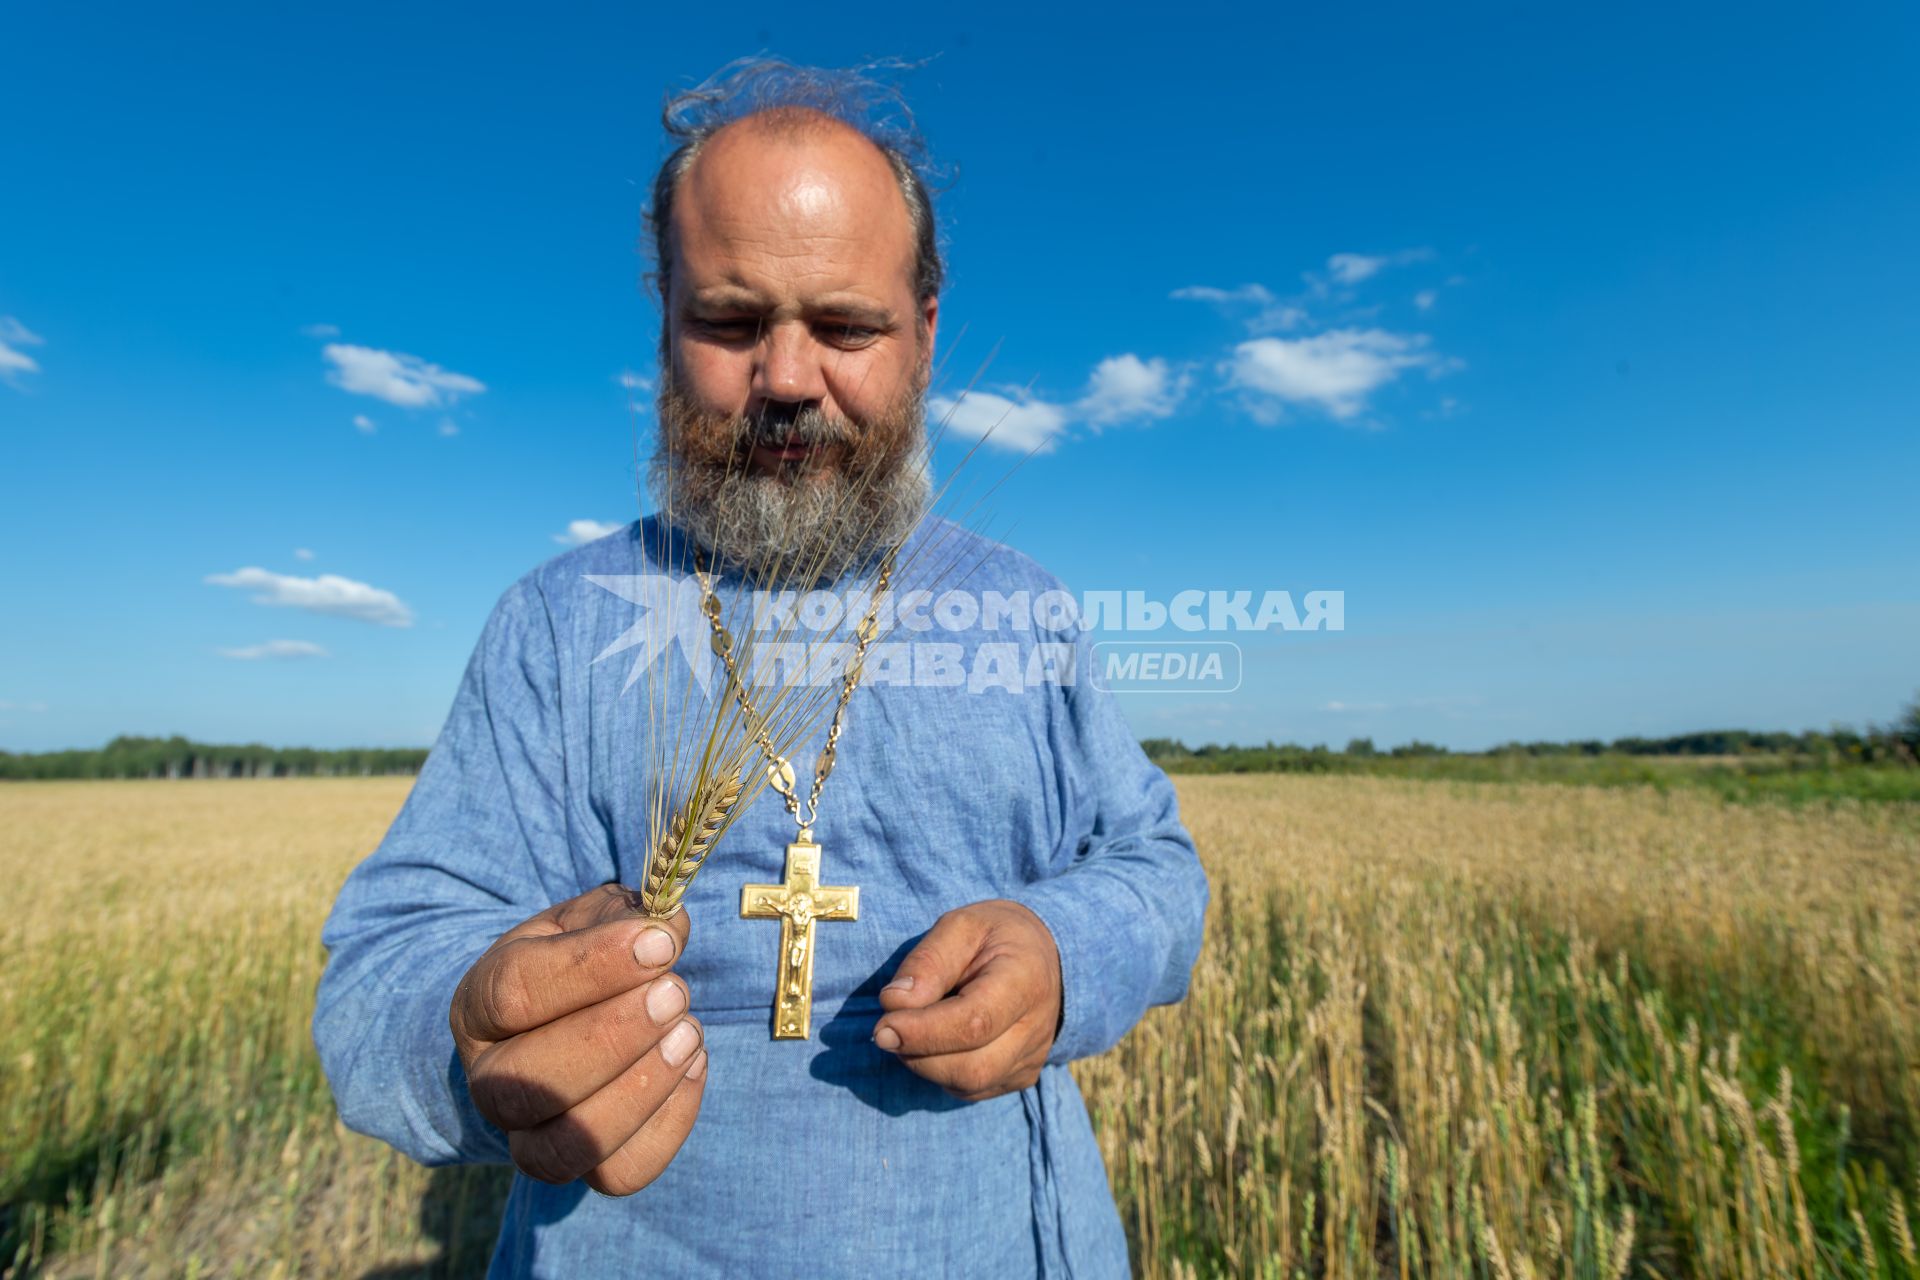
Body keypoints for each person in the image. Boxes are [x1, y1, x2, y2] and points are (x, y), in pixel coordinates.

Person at [313, 57, 1209, 1278]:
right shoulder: (557, 625)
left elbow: (1155, 865)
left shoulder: (1025, 610)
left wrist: (1068, 951)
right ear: (665, 322)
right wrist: (468, 1031)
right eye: (731, 322)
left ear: (927, 333)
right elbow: (379, 971)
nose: (787, 381)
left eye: (845, 325)